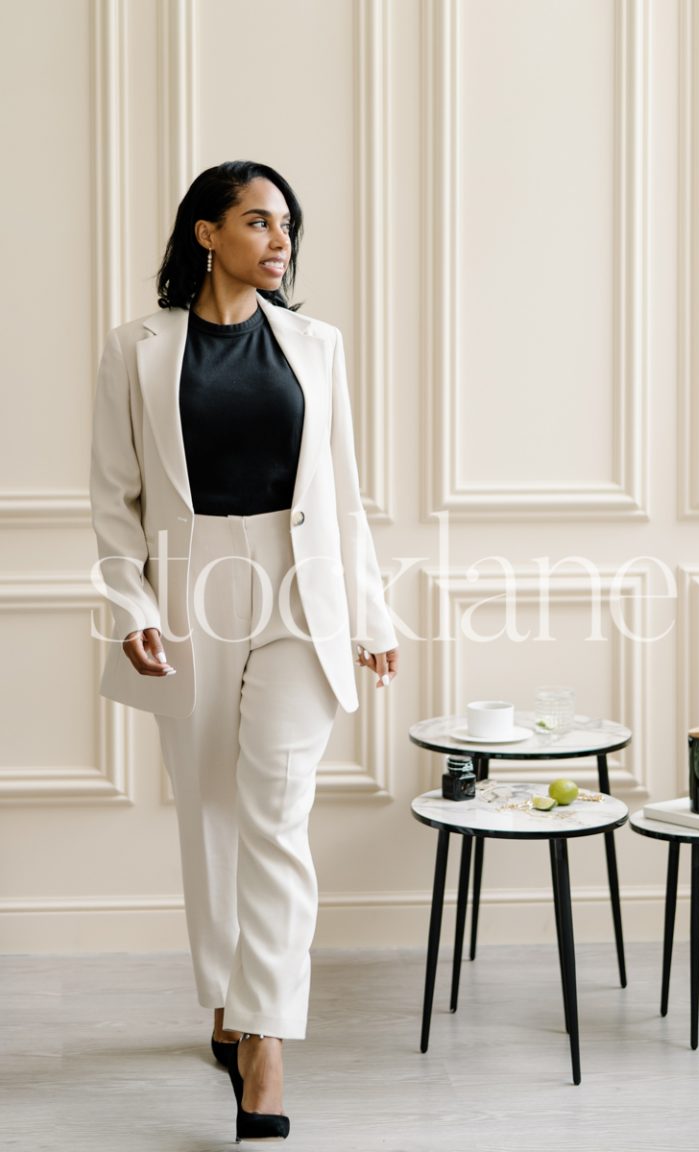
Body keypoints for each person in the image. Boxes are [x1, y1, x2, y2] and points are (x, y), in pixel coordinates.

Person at [89, 160, 399, 1142]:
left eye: (287, 226)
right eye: (258, 222)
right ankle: (224, 996)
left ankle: (264, 1039)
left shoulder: (317, 345)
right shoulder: (136, 350)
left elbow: (344, 492)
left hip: (300, 586)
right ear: (204, 234)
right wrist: (127, 601)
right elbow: (114, 499)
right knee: (212, 814)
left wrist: (372, 613)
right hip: (192, 591)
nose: (280, 241)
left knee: (276, 808)